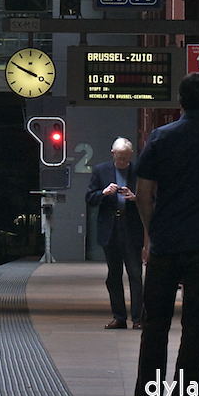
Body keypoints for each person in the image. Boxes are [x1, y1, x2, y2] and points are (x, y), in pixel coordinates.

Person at [133, 72, 199, 396]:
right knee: (196, 326)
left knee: (155, 324)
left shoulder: (160, 137)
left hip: (166, 242)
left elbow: (143, 193)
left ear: (180, 100)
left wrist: (155, 232)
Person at [86, 137, 144, 329]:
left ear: (131, 156)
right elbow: (90, 198)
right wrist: (104, 193)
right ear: (113, 154)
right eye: (119, 158)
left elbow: (151, 197)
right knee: (114, 275)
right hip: (110, 228)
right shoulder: (101, 171)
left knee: (135, 274)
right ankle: (119, 316)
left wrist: (135, 198)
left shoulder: (138, 171)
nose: (122, 162)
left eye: (126, 159)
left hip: (131, 225)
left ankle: (138, 319)